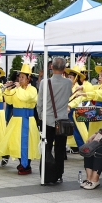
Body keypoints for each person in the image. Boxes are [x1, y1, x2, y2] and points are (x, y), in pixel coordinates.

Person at [2, 55, 41, 175]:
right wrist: (7, 89)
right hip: (16, 119)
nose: (20, 79)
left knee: (27, 142)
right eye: (19, 77)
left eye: (23, 77)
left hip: (27, 119)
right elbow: (9, 101)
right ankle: (21, 162)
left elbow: (25, 97)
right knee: (15, 142)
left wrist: (17, 89)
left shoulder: (32, 90)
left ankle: (27, 165)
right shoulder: (17, 89)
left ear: (29, 78)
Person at [37, 56, 74, 185]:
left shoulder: (44, 82)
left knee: (46, 148)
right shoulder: (68, 82)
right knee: (60, 149)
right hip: (62, 120)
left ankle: (46, 174)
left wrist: (41, 116)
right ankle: (58, 174)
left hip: (47, 119)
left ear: (51, 67)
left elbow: (40, 102)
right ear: (64, 69)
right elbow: (69, 96)